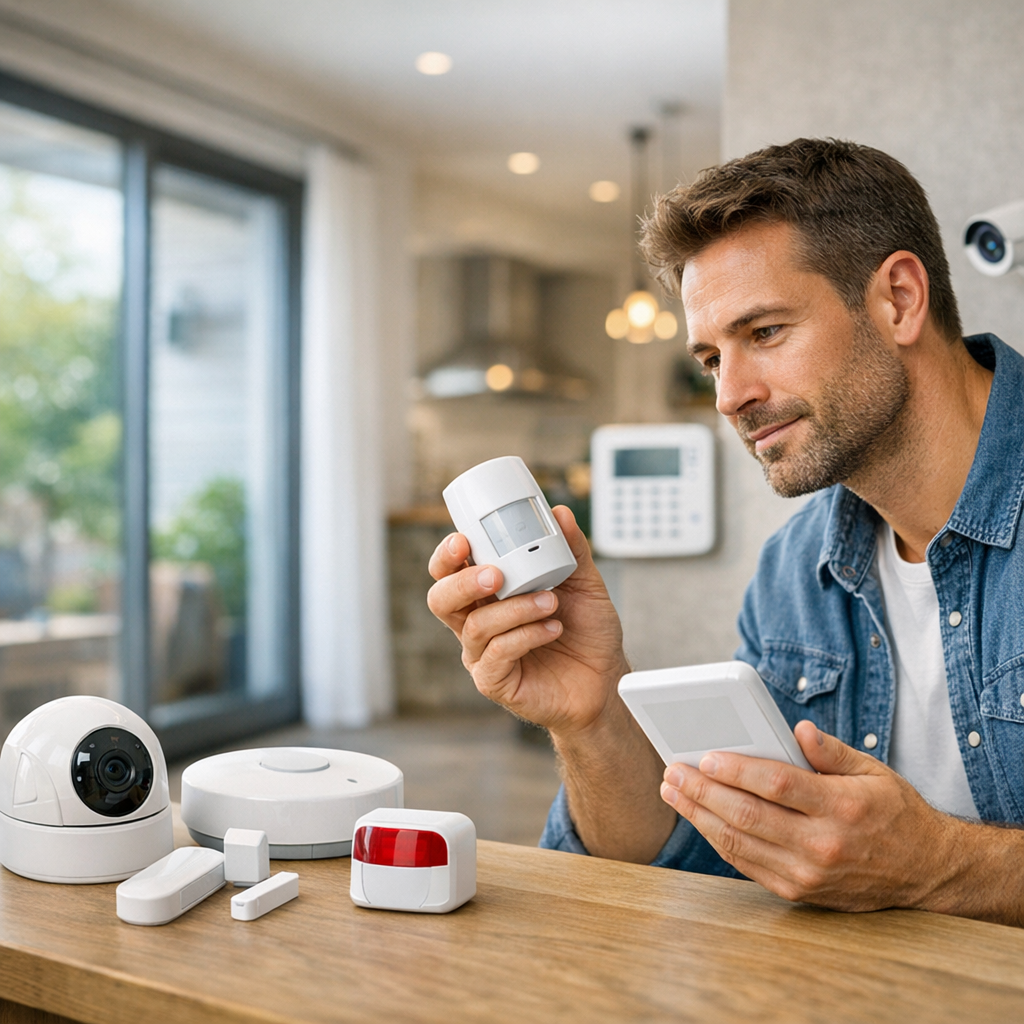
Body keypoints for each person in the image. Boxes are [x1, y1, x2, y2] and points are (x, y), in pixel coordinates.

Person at [427, 138, 1024, 926]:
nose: (729, 395)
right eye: (711, 358)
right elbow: (700, 859)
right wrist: (591, 712)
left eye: (766, 332)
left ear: (900, 300)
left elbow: (916, 870)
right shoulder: (795, 567)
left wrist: (936, 867)